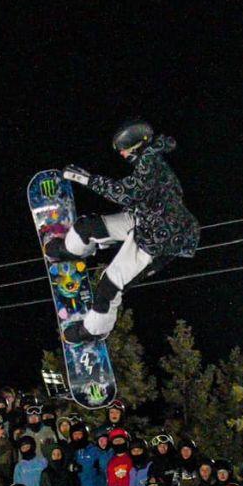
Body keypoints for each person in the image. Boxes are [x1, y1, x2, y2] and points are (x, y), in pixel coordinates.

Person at [47, 120, 200, 343]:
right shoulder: (150, 160)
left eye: (122, 149)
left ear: (136, 145)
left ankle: (94, 330)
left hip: (158, 241)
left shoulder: (150, 164)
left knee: (109, 286)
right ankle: (70, 250)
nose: (121, 153)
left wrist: (86, 179)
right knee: (87, 227)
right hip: (144, 220)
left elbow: (125, 193)